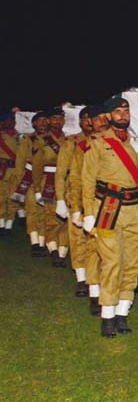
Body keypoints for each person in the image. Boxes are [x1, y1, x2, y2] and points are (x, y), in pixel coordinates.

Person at [81, 96, 138, 338]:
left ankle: (122, 312)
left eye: (126, 110)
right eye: (117, 111)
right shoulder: (97, 142)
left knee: (132, 263)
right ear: (108, 116)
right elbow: (87, 179)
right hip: (107, 208)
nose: (123, 115)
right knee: (111, 262)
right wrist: (88, 213)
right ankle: (107, 316)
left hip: (135, 208)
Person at [75, 105, 109, 316]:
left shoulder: (123, 141)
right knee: (95, 249)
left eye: (105, 117)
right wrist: (80, 208)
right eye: (97, 119)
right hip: (97, 203)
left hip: (118, 204)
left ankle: (111, 293)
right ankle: (95, 293)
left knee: (112, 252)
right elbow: (79, 178)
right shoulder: (85, 145)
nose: (102, 122)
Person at [56, 107, 93, 294]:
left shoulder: (103, 141)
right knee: (78, 238)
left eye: (91, 118)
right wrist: (60, 199)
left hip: (97, 197)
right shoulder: (72, 142)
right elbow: (61, 172)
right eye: (84, 119)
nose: (88, 122)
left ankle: (96, 277)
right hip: (76, 194)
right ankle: (81, 278)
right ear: (79, 122)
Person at [34, 107, 70, 267]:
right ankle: (53, 249)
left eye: (60, 118)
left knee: (66, 219)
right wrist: (36, 190)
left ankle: (62, 252)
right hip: (47, 180)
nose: (57, 121)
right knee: (51, 217)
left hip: (66, 182)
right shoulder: (41, 141)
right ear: (48, 121)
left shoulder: (69, 140)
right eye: (54, 118)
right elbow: (36, 167)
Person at [12, 111, 49, 257]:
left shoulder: (54, 139)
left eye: (44, 120)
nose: (42, 123)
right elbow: (20, 161)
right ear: (33, 124)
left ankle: (42, 241)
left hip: (48, 180)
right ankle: (35, 242)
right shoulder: (28, 139)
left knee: (45, 213)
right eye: (38, 121)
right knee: (32, 211)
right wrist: (20, 181)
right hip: (30, 179)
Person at [0, 111, 20, 235]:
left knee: (13, 196)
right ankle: (1, 222)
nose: (12, 122)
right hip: (2, 168)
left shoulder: (20, 136)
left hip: (15, 169)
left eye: (13, 119)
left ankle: (9, 224)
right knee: (1, 196)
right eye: (9, 120)